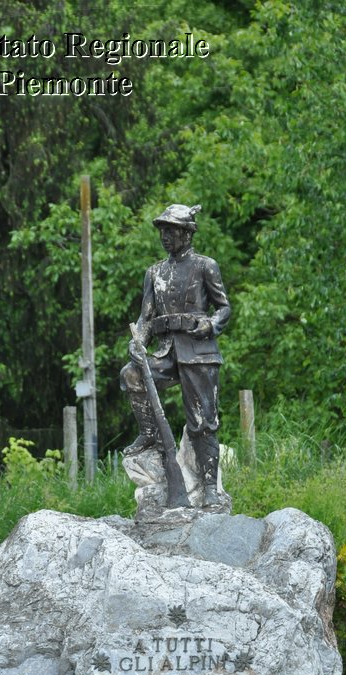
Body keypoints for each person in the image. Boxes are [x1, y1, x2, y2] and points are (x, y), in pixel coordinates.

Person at [120, 203, 231, 507]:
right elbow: (145, 317)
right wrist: (139, 340)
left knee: (202, 421)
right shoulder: (154, 272)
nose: (165, 237)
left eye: (171, 231)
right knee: (131, 374)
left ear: (186, 233)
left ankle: (209, 487)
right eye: (162, 231)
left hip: (198, 352)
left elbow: (224, 308)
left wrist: (209, 324)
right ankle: (151, 436)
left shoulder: (205, 266)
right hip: (167, 351)